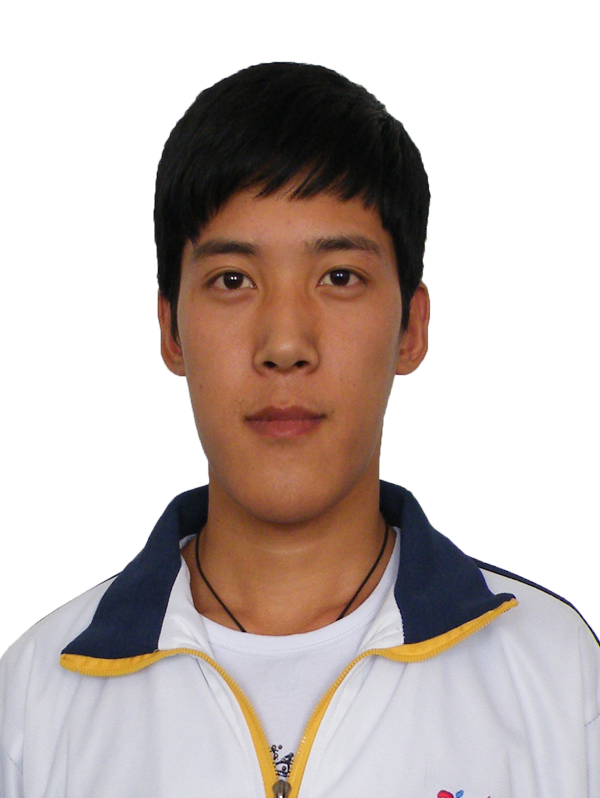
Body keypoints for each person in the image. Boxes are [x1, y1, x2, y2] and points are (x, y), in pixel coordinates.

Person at [0, 62, 598, 798]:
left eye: (339, 277)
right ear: (171, 329)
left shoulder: (559, 678)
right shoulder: (36, 701)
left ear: (411, 327)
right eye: (232, 280)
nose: (285, 344)